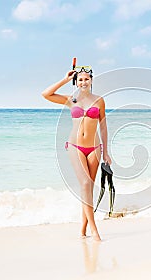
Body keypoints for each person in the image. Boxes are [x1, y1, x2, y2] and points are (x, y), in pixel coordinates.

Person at [42, 66, 112, 241]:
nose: (83, 82)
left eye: (86, 79)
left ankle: (82, 229)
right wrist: (64, 80)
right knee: (85, 184)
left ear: (91, 80)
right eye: (80, 79)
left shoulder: (99, 101)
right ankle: (94, 230)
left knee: (88, 188)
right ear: (76, 82)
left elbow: (103, 126)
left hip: (94, 148)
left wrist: (106, 152)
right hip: (75, 146)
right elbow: (46, 94)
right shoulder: (70, 100)